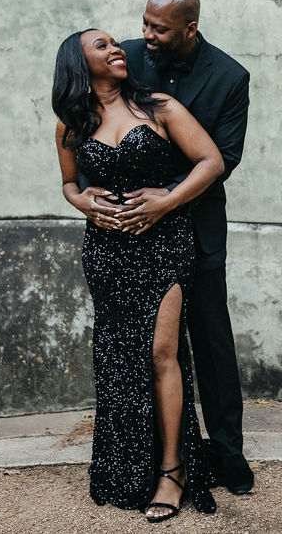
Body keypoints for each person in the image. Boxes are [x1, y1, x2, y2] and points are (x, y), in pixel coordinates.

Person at [75, 0, 254, 494]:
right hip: (127, 232)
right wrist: (86, 195)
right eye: (145, 24)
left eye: (159, 29)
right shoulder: (126, 56)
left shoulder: (230, 77)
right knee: (139, 348)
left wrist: (168, 198)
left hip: (193, 221)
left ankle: (226, 452)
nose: (145, 36)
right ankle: (146, 454)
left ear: (189, 29)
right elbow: (89, 131)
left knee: (211, 337)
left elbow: (225, 156)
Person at [52, 28, 223, 522]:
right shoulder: (70, 125)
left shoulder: (160, 108)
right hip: (106, 251)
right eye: (101, 46)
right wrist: (81, 200)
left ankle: (173, 472)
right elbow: (67, 183)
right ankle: (127, 466)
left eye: (114, 43)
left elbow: (210, 161)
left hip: (164, 245)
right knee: (120, 358)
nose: (116, 49)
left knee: (161, 352)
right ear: (79, 65)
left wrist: (167, 200)